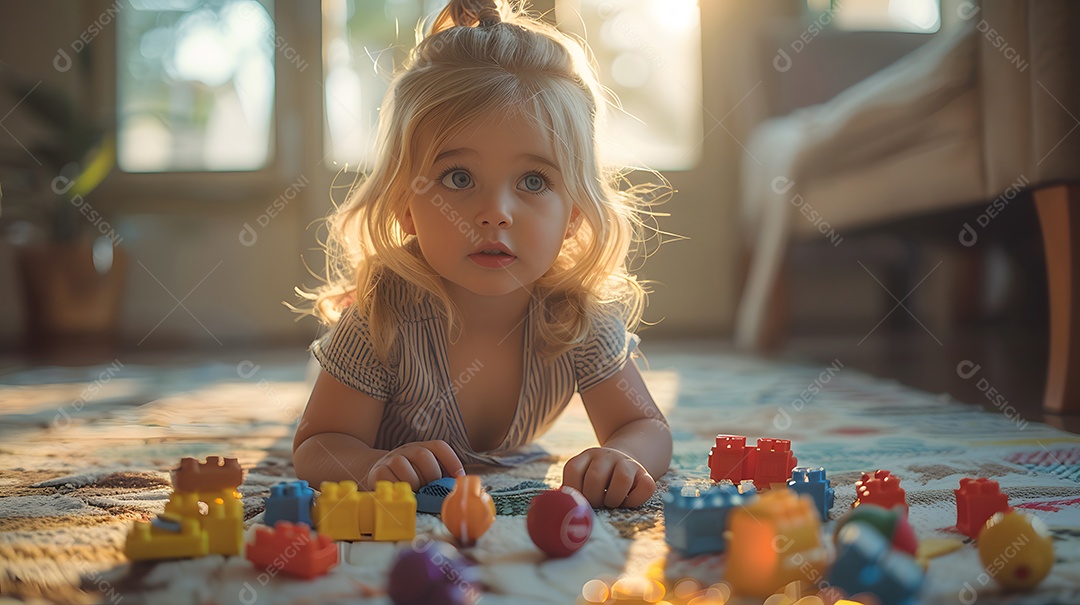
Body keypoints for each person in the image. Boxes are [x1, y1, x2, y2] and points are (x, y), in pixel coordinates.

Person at [292, 0, 672, 509]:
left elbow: (642, 424)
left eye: (533, 181)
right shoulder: (379, 322)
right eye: (459, 178)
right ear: (406, 205)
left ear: (575, 214)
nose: (495, 214)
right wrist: (368, 465)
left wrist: (626, 458)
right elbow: (318, 445)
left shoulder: (575, 317)